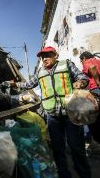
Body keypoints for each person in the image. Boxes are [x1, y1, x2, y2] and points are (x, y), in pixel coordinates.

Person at [12, 46, 91, 178]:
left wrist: (81, 82)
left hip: (71, 113)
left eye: (47, 55)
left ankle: (84, 174)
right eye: (42, 57)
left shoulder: (66, 64)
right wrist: (15, 84)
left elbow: (82, 77)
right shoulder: (40, 72)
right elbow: (28, 84)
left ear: (55, 55)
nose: (44, 59)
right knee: (58, 149)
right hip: (52, 116)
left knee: (76, 147)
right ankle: (64, 175)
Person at [80, 51, 100, 143]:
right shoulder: (98, 60)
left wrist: (97, 81)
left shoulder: (88, 62)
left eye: (81, 61)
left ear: (84, 58)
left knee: (90, 117)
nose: (82, 63)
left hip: (96, 91)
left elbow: (92, 68)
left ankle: (92, 141)